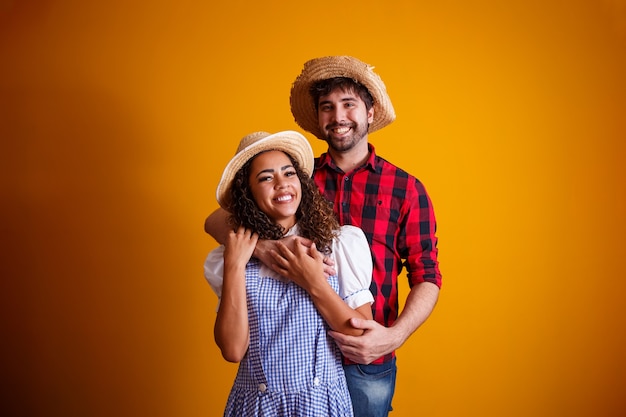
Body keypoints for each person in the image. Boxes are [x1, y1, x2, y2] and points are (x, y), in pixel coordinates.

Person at [205, 56, 442, 417]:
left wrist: (394, 335)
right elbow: (217, 219)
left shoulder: (405, 188)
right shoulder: (296, 179)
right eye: (327, 107)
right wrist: (266, 247)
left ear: (370, 110)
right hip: (285, 361)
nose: (338, 116)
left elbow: (428, 274)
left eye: (349, 104)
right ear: (318, 118)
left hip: (366, 355)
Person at [204, 130, 375, 416]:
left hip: (323, 405)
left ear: (302, 182)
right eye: (266, 177)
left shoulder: (338, 244)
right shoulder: (233, 256)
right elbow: (232, 351)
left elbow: (358, 335)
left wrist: (312, 281)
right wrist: (234, 264)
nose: (282, 184)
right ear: (248, 193)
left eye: (289, 173)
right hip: (256, 407)